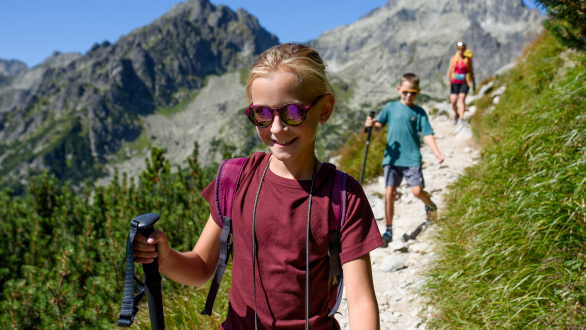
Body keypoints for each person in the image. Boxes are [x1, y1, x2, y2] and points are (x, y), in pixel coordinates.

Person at [133, 44, 383, 329]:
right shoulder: (235, 179)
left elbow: (362, 303)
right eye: (262, 114)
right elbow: (201, 267)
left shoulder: (343, 196)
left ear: (324, 109)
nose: (276, 127)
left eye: (292, 112)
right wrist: (165, 259)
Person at [364, 73, 444, 247]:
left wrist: (437, 152)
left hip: (412, 158)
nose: (409, 95)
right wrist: (370, 125)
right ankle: (388, 231)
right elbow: (378, 125)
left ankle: (430, 205)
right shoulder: (391, 107)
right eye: (406, 92)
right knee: (389, 194)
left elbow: (427, 133)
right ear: (399, 89)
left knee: (417, 191)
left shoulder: (419, 112)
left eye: (413, 93)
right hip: (392, 159)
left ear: (418, 92)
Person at [446, 41, 476, 125]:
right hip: (455, 81)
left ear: (464, 50)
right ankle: (456, 114)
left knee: (461, 98)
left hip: (464, 81)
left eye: (462, 49)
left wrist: (474, 84)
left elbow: (471, 71)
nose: (460, 51)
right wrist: (448, 79)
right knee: (453, 100)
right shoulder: (453, 58)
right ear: (457, 50)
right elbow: (449, 69)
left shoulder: (468, 59)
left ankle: (462, 119)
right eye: (459, 49)